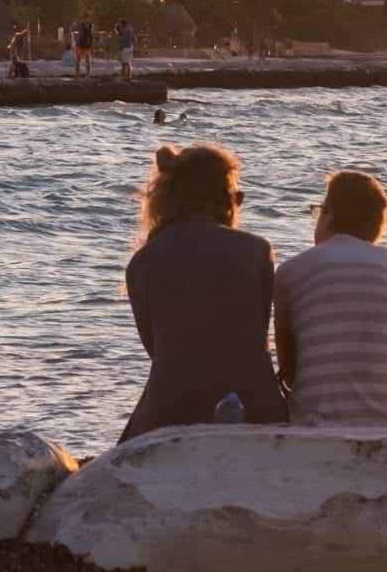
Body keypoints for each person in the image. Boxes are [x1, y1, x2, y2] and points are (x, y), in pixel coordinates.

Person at [120, 144, 288, 441]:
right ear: (225, 200)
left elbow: (158, 350)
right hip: (257, 408)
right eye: (238, 197)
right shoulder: (256, 250)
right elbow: (255, 335)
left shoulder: (142, 262)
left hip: (171, 412)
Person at [275, 170, 387, 425]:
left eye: (319, 211)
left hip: (316, 422)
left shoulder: (290, 271)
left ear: (328, 214)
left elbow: (290, 369)